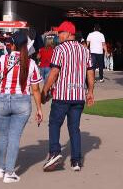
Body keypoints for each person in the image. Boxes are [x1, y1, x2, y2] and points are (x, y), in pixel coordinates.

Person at [0, 29, 43, 183]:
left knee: (3, 136)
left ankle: (0, 168)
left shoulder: (3, 59)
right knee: (14, 137)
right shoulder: (30, 63)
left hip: (3, 99)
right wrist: (39, 109)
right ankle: (9, 173)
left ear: (12, 45)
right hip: (22, 101)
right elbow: (36, 89)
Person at [42, 21, 94, 172]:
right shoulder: (85, 51)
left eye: (60, 33)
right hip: (78, 95)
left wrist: (45, 89)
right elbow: (90, 72)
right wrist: (90, 92)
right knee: (74, 128)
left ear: (69, 33)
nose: (58, 36)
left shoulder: (60, 49)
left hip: (62, 95)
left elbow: (54, 72)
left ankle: (54, 153)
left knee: (54, 124)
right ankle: (76, 161)